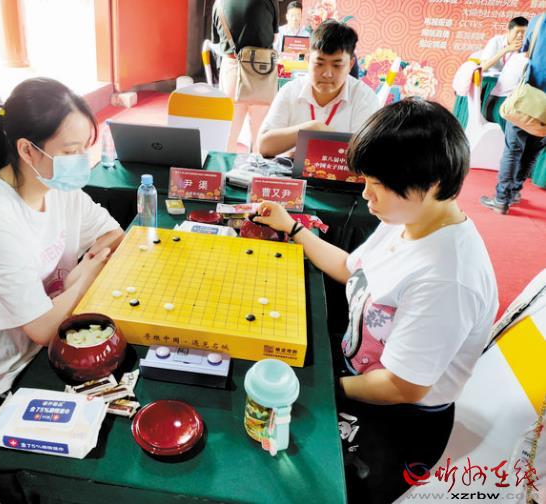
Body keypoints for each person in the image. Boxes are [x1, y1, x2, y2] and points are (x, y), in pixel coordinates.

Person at [254, 99, 498, 503]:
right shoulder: (408, 219)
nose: (365, 193)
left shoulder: (448, 278)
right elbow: (352, 269)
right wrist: (293, 228)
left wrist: (323, 390)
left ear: (431, 183)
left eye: (377, 183)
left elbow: (403, 386)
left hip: (396, 418)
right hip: (358, 374)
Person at [0, 78, 125, 418]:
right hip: (1, 376)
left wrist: (76, 278)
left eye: (84, 148)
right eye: (70, 152)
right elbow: (41, 328)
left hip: (52, 341)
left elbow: (114, 235)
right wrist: (84, 277)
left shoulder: (58, 188)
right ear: (27, 150)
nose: (81, 161)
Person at [257, 21, 377, 157]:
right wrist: (312, 128)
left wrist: (309, 153)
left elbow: (365, 155)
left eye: (337, 65)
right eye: (319, 63)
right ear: (308, 59)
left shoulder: (364, 97)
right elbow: (264, 146)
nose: (327, 74)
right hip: (289, 170)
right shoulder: (290, 91)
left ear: (350, 64)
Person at [481, 13, 546, 214]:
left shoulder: (539, 21)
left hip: (530, 96)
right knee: (533, 148)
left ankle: (502, 199)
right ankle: (515, 192)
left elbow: (526, 52)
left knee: (514, 148)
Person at [212, 0, 279, 152]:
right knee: (260, 133)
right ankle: (257, 165)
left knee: (229, 132)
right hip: (262, 70)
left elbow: (218, 41)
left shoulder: (219, 3)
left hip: (232, 68)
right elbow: (274, 37)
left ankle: (226, 165)